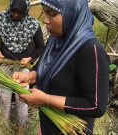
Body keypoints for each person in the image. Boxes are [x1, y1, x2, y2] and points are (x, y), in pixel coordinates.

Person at [12, 0, 110, 135]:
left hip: (72, 131)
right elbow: (44, 66)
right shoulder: (56, 39)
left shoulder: (91, 51)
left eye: (52, 14)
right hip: (47, 127)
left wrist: (45, 100)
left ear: (72, 14)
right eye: (45, 12)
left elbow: (96, 106)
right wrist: (30, 76)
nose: (45, 20)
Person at [0, 0, 45, 134]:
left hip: (23, 68)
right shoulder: (1, 19)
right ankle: (3, 128)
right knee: (4, 98)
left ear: (26, 11)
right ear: (10, 7)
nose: (16, 14)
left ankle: (20, 131)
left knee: (22, 99)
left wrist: (30, 59)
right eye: (14, 10)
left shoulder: (33, 24)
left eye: (20, 12)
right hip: (5, 65)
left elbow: (41, 46)